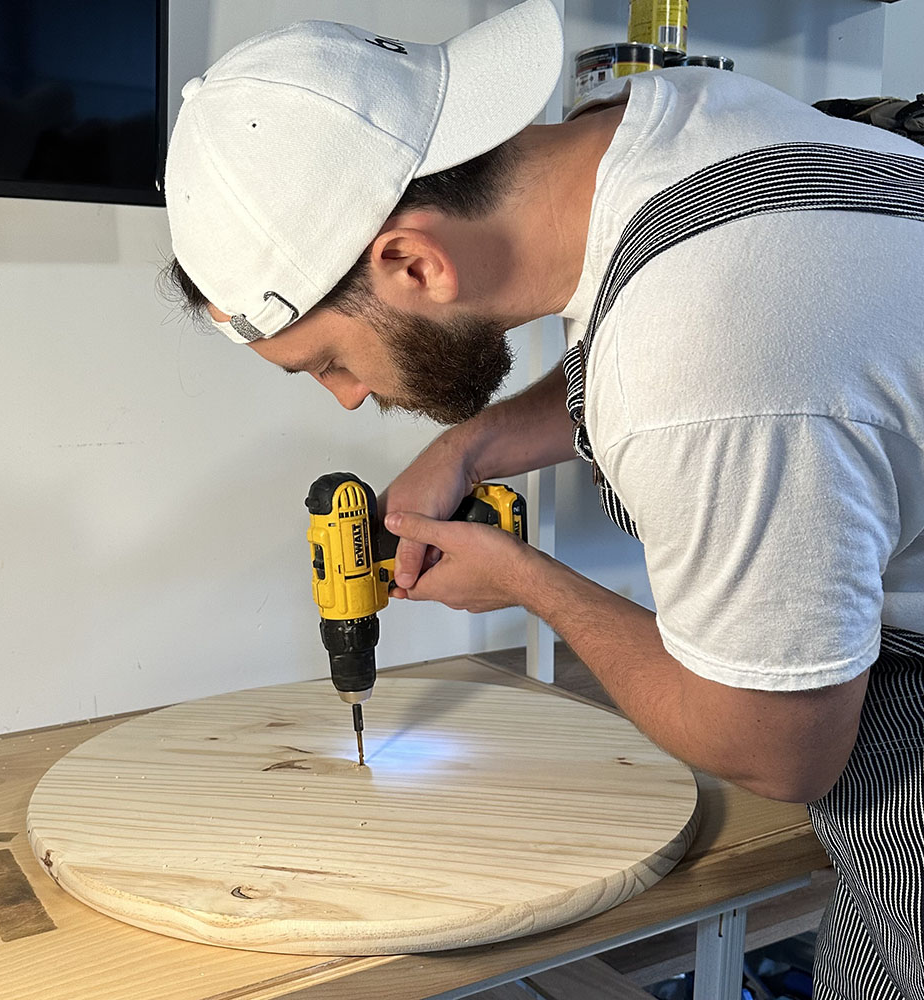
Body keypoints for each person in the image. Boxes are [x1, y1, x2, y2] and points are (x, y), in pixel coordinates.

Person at [161, 2, 924, 995]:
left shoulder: (704, 353)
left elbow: (778, 752)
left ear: (411, 262)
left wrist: (529, 581)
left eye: (326, 362)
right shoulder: (682, 125)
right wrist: (472, 445)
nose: (347, 396)